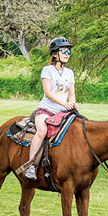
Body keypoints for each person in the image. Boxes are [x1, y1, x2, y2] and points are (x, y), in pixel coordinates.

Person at [21, 36, 77, 179]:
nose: (67, 54)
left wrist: (72, 103)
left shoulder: (69, 73)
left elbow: (71, 94)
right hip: (46, 111)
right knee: (42, 130)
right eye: (63, 51)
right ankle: (31, 166)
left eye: (68, 52)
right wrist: (64, 103)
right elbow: (48, 92)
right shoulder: (47, 70)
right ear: (54, 54)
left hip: (64, 112)